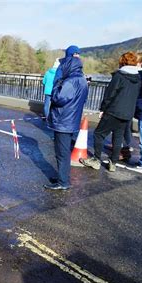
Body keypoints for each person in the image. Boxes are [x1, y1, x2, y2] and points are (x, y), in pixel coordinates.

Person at [80, 52, 142, 172]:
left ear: (122, 62)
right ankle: (113, 163)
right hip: (127, 113)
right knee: (118, 137)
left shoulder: (119, 76)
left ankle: (96, 160)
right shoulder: (138, 78)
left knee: (99, 134)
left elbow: (110, 94)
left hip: (113, 111)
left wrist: (103, 109)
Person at [44, 57, 88, 190]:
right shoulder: (81, 80)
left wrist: (57, 81)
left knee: (61, 152)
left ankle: (63, 182)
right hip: (71, 119)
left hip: (63, 120)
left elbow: (58, 98)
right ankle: (62, 178)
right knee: (64, 151)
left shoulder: (70, 81)